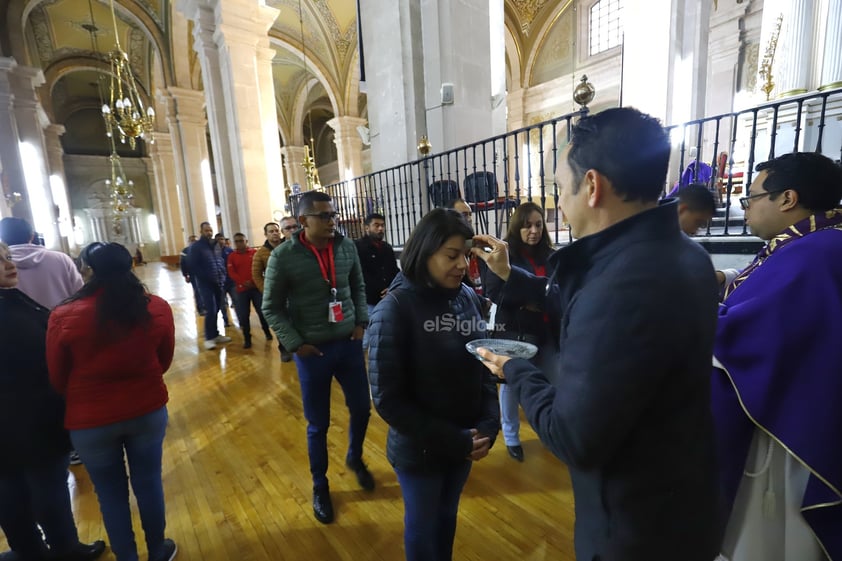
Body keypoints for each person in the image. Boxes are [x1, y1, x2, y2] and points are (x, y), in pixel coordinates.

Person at [472, 107, 722, 561]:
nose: (559, 203)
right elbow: (578, 301)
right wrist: (511, 275)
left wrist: (517, 370)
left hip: (634, 526)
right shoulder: (683, 254)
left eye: (559, 188)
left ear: (591, 186)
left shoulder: (623, 283)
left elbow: (573, 439)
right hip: (683, 497)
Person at [711, 152, 842, 561]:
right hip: (800, 406)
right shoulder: (812, 242)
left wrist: (685, 316)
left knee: (771, 538)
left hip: (789, 427)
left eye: (752, 197)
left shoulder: (812, 253)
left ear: (787, 198)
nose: (747, 207)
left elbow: (749, 335)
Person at [367, 208, 499, 561]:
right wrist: (453, 439)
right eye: (451, 256)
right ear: (425, 252)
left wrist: (489, 423)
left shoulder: (465, 296)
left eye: (465, 256)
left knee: (446, 520)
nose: (461, 265)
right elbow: (388, 401)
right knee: (424, 531)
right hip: (421, 451)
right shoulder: (393, 309)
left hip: (465, 440)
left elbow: (483, 361)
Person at [46, 243, 177, 561]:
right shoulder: (155, 307)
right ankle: (158, 550)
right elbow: (164, 360)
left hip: (90, 420)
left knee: (110, 493)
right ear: (131, 265)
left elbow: (57, 376)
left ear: (88, 270)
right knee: (148, 483)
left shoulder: (64, 315)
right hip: (146, 410)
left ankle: (126, 556)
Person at [262, 191, 374, 524]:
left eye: (333, 214)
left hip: (349, 344)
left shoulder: (346, 246)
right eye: (324, 216)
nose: (332, 220)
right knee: (318, 424)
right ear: (303, 221)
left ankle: (355, 457)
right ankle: (320, 484)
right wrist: (295, 344)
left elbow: (358, 287)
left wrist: (361, 322)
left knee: (363, 409)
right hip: (314, 352)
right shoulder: (283, 256)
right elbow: (271, 307)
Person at [0, 242, 106, 561]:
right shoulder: (9, 312)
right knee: (44, 485)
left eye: (7, 257)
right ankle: (64, 549)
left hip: (19, 418)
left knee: (10, 487)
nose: (9, 264)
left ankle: (28, 550)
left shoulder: (10, 300)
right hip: (31, 417)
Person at [484, 202, 555, 463]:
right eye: (527, 226)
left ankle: (547, 429)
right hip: (516, 333)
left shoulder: (549, 254)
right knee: (511, 387)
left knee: (549, 381)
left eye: (538, 225)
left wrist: (534, 296)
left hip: (546, 331)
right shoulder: (504, 252)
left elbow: (553, 289)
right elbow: (494, 292)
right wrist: (529, 298)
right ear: (518, 227)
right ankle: (512, 437)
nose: (534, 231)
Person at [0, 217, 83, 309]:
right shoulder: (61, 258)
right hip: (65, 319)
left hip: (20, 321)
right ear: (32, 236)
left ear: (2, 239)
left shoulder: (3, 266)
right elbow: (80, 292)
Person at [253, 219, 296, 362]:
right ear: (266, 235)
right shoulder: (260, 253)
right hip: (276, 292)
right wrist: (266, 290)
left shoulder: (289, 246)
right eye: (271, 231)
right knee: (281, 321)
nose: (275, 234)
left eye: (277, 230)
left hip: (293, 289)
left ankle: (297, 345)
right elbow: (256, 275)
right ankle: (284, 349)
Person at [354, 213, 399, 349]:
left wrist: (392, 288)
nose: (380, 229)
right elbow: (360, 274)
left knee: (385, 338)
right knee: (365, 341)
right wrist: (379, 290)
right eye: (376, 225)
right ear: (366, 228)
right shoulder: (358, 247)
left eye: (383, 225)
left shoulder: (386, 248)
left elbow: (394, 271)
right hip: (368, 301)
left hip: (387, 300)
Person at [187, 222, 231, 350]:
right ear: (201, 232)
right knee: (210, 309)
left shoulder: (215, 245)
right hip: (205, 284)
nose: (209, 233)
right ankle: (209, 338)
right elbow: (192, 265)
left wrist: (222, 275)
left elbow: (220, 261)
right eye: (206, 230)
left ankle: (215, 334)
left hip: (218, 282)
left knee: (217, 308)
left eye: (210, 230)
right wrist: (204, 277)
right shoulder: (196, 247)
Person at [227, 232, 272, 349]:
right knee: (243, 315)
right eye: (236, 241)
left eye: (241, 241)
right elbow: (232, 272)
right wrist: (242, 282)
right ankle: (247, 338)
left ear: (246, 241)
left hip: (256, 288)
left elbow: (260, 268)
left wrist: (254, 281)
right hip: (242, 291)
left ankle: (267, 332)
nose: (239, 243)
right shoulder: (232, 256)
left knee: (262, 312)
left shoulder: (254, 253)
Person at [445, 199, 485, 295]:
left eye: (470, 214)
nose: (470, 219)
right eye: (464, 215)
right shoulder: (444, 247)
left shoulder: (477, 245)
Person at [179, 235, 205, 315]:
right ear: (189, 242)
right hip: (193, 274)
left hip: (204, 273)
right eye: (192, 240)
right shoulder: (185, 251)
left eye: (195, 240)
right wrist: (185, 275)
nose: (194, 242)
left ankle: (206, 306)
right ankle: (200, 308)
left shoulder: (202, 249)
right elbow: (183, 263)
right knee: (197, 290)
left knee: (205, 290)